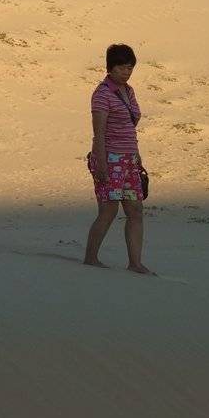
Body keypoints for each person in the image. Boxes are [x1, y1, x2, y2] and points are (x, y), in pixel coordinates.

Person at [84, 43, 153, 274]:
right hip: (109, 159)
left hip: (129, 160)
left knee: (135, 209)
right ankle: (91, 258)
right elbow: (99, 132)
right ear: (110, 68)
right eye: (122, 67)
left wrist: (136, 156)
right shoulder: (102, 94)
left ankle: (135, 263)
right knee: (109, 211)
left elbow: (129, 128)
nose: (126, 72)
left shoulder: (129, 91)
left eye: (130, 67)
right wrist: (101, 163)